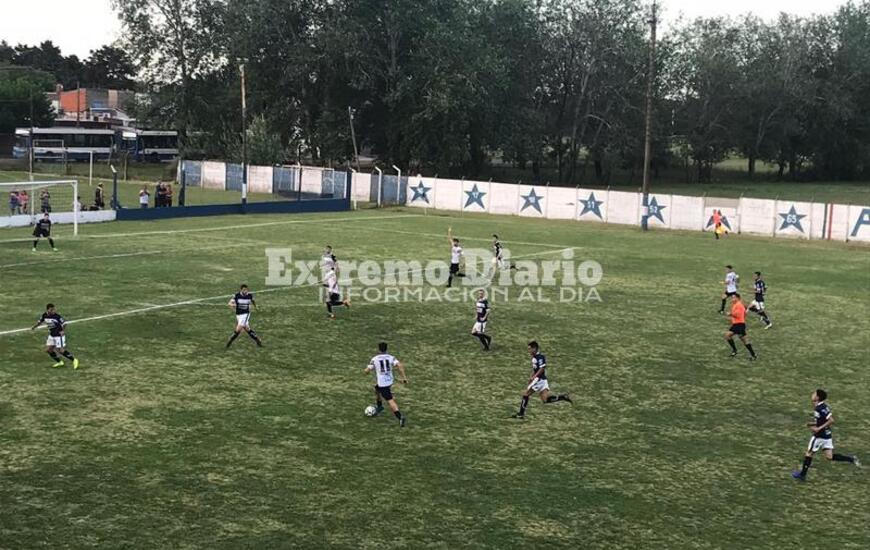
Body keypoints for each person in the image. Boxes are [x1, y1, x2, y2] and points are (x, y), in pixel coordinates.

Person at [792, 389, 861, 481]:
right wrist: (813, 423)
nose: (812, 395)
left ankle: (802, 474)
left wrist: (818, 428)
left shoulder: (819, 408)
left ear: (817, 397)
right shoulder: (823, 406)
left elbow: (831, 420)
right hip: (827, 435)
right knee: (829, 456)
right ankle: (851, 459)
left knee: (809, 453)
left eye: (814, 394)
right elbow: (823, 420)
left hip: (819, 436)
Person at [512, 341, 572, 419]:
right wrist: (531, 376)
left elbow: (542, 368)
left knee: (525, 394)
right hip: (543, 380)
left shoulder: (540, 357)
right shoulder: (534, 358)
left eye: (530, 349)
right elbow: (535, 369)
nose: (529, 351)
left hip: (539, 380)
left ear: (534, 348)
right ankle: (562, 397)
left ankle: (521, 414)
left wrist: (534, 377)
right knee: (545, 400)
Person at [364, 341, 408, 426]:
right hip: (389, 380)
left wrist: (366, 371)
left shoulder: (375, 359)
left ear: (379, 349)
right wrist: (404, 378)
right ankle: (380, 406)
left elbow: (367, 370)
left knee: (390, 400)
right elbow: (399, 365)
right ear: (386, 349)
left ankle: (400, 417)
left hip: (383, 384)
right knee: (377, 389)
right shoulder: (391, 357)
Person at [31, 303, 79, 369]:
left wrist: (62, 330)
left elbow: (64, 323)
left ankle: (74, 360)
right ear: (47, 310)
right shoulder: (44, 315)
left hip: (59, 336)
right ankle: (60, 362)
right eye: (51, 310)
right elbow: (40, 322)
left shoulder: (57, 316)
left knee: (61, 350)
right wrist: (34, 327)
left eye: (53, 309)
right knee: (48, 350)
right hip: (52, 335)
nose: (53, 311)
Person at [725, 293, 757, 360]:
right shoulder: (736, 305)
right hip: (738, 324)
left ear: (738, 298)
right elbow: (744, 314)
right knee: (743, 340)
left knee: (729, 335)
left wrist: (730, 314)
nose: (732, 299)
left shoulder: (739, 305)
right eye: (732, 297)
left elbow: (738, 315)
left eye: (734, 297)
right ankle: (753, 354)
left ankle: (736, 351)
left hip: (739, 325)